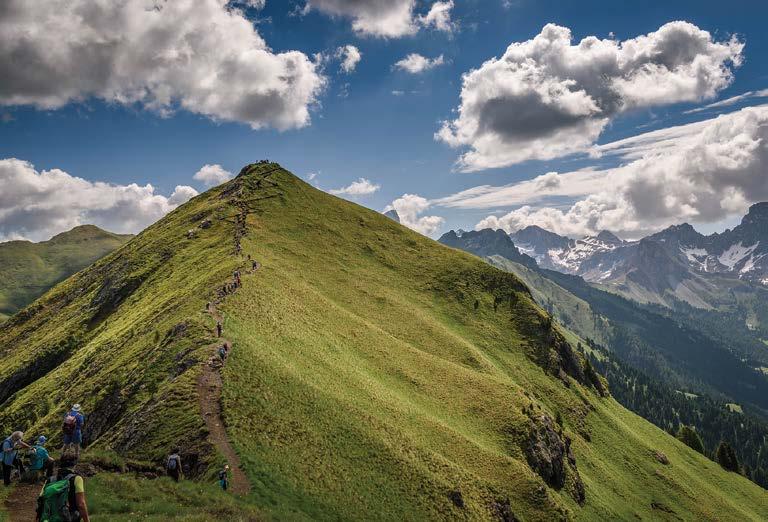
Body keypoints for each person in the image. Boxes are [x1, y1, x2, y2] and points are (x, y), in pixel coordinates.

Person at [36, 450, 90, 522]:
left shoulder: (49, 480)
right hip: (69, 518)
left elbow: (41, 501)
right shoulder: (76, 479)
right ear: (74, 464)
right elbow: (81, 504)